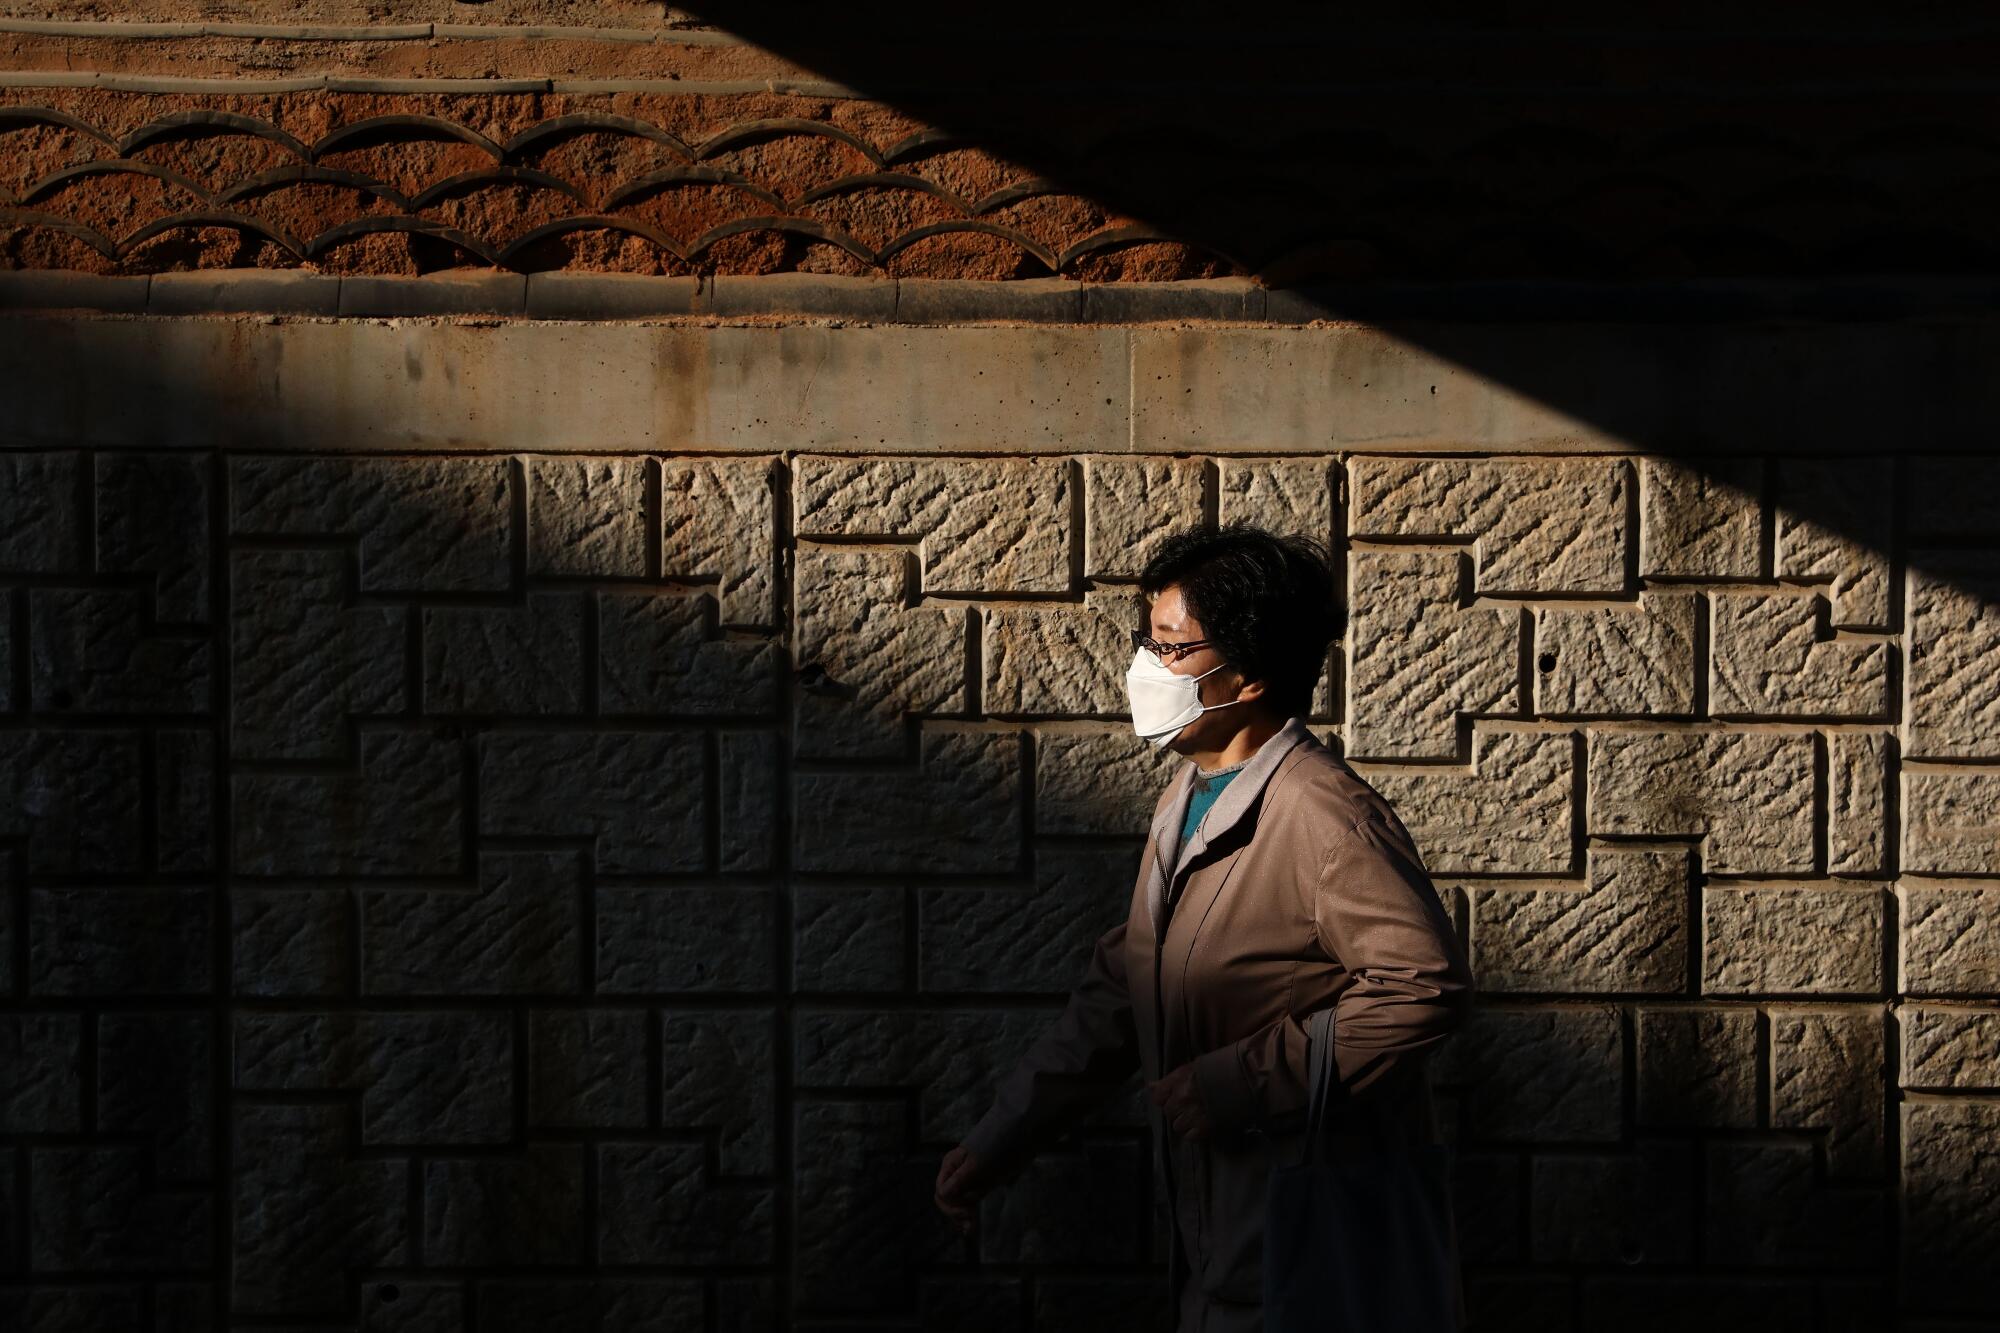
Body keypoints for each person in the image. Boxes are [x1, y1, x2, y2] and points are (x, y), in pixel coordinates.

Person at [933, 522, 1475, 1333]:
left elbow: (1422, 988)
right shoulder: (1188, 793)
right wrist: (998, 1141)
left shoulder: (1324, 815)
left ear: (1249, 674)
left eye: (1173, 650)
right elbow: (1127, 985)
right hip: (1217, 1252)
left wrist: (1240, 1082)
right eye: (1147, 644)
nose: (1147, 671)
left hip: (1307, 1264)